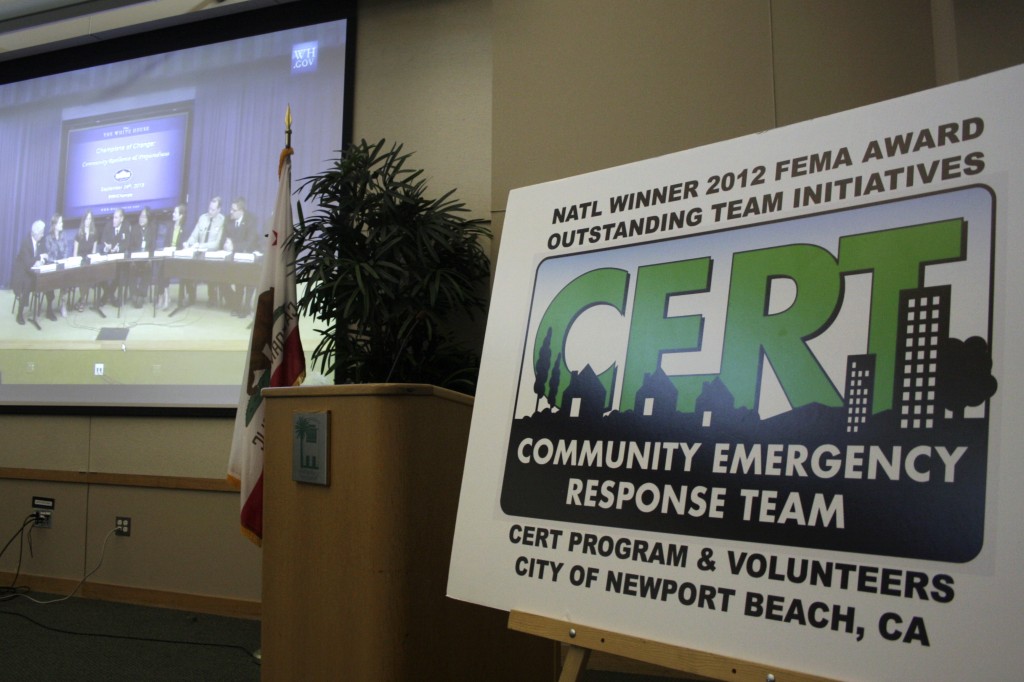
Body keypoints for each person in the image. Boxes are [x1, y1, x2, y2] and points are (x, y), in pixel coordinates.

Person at [183, 196, 225, 306]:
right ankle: (191, 295)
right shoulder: (202, 218)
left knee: (211, 269)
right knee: (187, 267)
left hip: (212, 255)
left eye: (213, 209)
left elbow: (217, 244)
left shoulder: (222, 221)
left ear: (219, 210)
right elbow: (194, 235)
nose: (210, 211)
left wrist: (200, 245)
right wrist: (189, 243)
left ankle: (212, 297)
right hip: (198, 253)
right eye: (209, 208)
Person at [222, 197, 259, 316]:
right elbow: (224, 237)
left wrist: (234, 246)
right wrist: (227, 243)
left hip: (248, 255)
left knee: (245, 278)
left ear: (241, 211)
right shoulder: (228, 219)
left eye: (233, 210)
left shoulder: (251, 220)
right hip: (232, 256)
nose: (230, 212)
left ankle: (246, 307)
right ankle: (235, 303)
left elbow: (250, 242)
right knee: (220, 276)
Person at [10, 220, 46, 325]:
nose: (42, 235)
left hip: (33, 271)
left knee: (46, 279)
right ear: (35, 234)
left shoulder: (40, 241)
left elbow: (43, 256)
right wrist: (39, 258)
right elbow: (28, 263)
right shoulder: (26, 243)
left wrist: (41, 260)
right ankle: (20, 313)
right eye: (41, 233)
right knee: (28, 283)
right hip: (21, 272)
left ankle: (44, 310)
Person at [128, 207, 158, 308]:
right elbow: (130, 246)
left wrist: (150, 258)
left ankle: (141, 294)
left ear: (148, 219)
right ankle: (134, 294)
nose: (141, 219)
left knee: (148, 269)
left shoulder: (152, 229)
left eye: (144, 217)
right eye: (140, 216)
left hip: (146, 259)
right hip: (135, 258)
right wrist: (132, 259)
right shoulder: (134, 229)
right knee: (131, 269)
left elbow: (153, 246)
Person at [100, 208, 129, 306]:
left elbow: (127, 243)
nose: (114, 220)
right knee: (100, 272)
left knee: (120, 272)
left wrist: (119, 248)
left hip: (119, 258)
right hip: (108, 257)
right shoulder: (108, 226)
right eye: (113, 217)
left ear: (122, 219)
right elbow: (103, 241)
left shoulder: (126, 227)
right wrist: (106, 247)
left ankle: (107, 295)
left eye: (116, 218)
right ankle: (110, 295)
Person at [42, 213, 68, 319]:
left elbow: (66, 249)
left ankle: (63, 305)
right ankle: (49, 309)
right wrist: (55, 262)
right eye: (60, 222)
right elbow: (47, 255)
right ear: (55, 224)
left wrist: (63, 261)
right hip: (52, 266)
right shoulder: (48, 238)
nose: (62, 224)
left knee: (67, 279)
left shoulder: (64, 235)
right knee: (50, 281)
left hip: (62, 265)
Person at [73, 210, 99, 310]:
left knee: (89, 273)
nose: (88, 221)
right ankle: (83, 300)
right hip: (80, 262)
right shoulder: (79, 234)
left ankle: (82, 300)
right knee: (84, 275)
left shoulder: (94, 233)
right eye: (86, 219)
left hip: (89, 261)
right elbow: (75, 253)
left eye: (90, 219)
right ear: (83, 220)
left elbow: (94, 252)